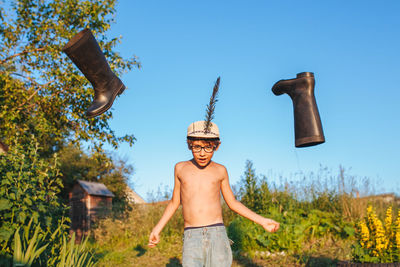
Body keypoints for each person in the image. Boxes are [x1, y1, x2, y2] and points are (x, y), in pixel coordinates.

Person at [148, 121, 280, 267]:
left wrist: (262, 221)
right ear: (189, 145)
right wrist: (157, 229)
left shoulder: (220, 170)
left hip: (217, 235)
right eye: (197, 147)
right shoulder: (180, 168)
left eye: (208, 147)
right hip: (192, 236)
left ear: (217, 146)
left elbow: (233, 203)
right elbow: (174, 202)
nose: (202, 153)